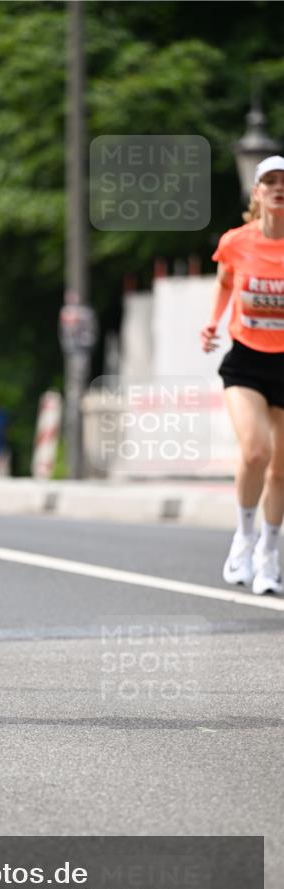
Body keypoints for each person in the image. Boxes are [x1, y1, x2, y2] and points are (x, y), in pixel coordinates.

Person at [201, 154, 284, 595]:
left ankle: (270, 552)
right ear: (257, 192)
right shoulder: (237, 242)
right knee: (256, 451)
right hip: (247, 359)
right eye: (269, 181)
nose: (278, 187)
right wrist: (213, 322)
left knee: (282, 469)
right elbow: (225, 281)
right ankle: (244, 538)